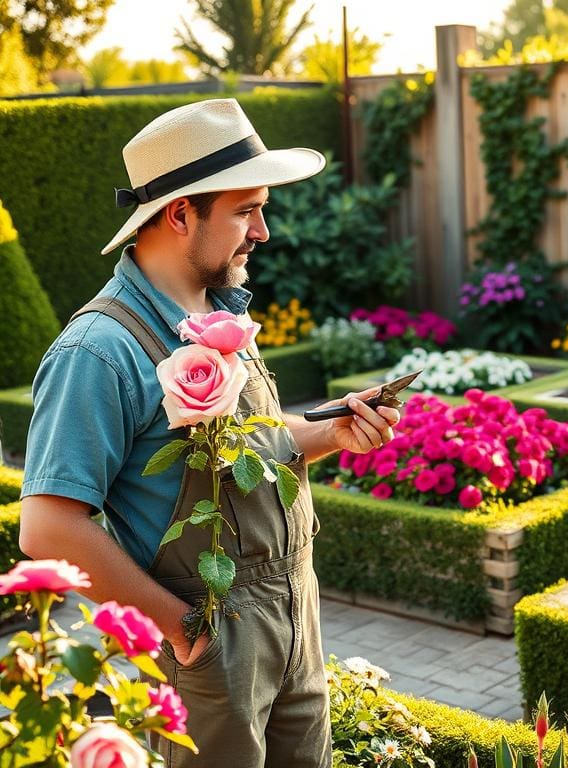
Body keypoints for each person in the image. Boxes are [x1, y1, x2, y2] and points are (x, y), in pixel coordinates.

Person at [18, 98, 399, 768]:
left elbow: (251, 441)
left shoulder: (219, 312)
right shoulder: (98, 351)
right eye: (247, 210)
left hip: (294, 620)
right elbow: (48, 527)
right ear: (180, 212)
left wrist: (334, 430)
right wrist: (184, 628)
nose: (263, 231)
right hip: (210, 647)